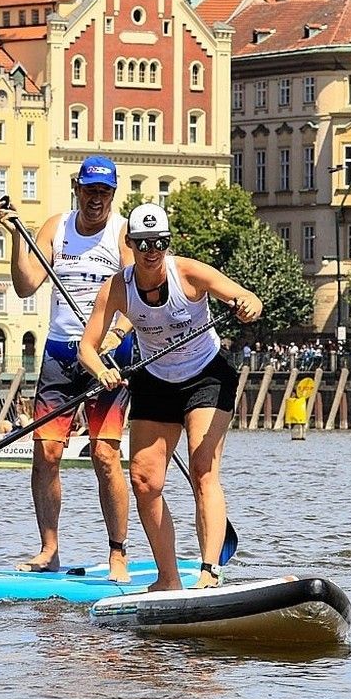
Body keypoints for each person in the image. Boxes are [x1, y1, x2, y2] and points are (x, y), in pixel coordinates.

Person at [79, 203, 263, 592]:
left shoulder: (190, 273)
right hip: (155, 380)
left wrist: (248, 305)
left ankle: (209, 572)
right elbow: (87, 348)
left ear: (167, 243)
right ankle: (168, 579)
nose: (151, 251)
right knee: (145, 481)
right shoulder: (118, 287)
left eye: (159, 243)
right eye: (143, 243)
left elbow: (247, 298)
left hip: (206, 377)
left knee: (202, 467)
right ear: (130, 244)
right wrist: (103, 371)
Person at [0, 155, 134, 581]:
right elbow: (24, 285)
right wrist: (17, 235)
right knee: (46, 453)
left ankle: (118, 555)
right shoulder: (56, 228)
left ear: (113, 193)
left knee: (105, 455)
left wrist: (115, 335)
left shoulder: (122, 233)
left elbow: (137, 295)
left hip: (110, 355)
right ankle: (49, 550)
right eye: (89, 191)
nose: (96, 200)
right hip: (59, 354)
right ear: (77, 188)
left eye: (104, 193)